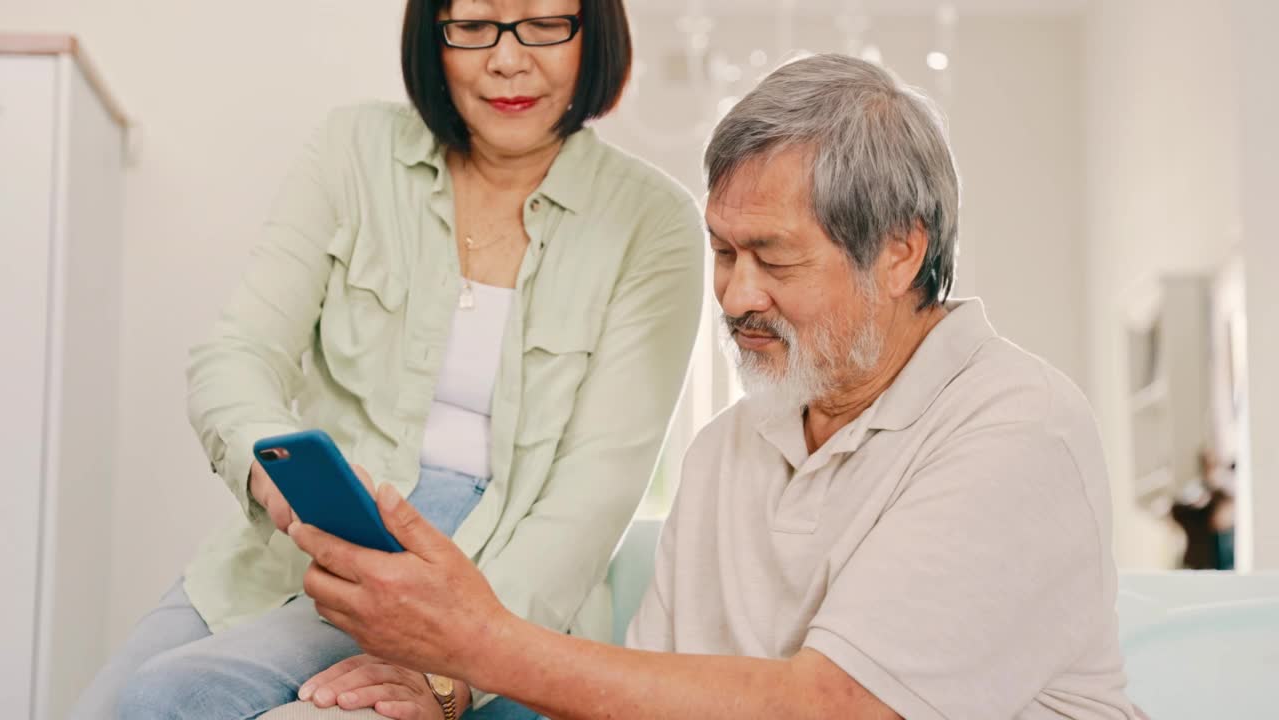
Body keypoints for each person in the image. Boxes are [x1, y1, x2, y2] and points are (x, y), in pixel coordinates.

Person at [278, 54, 1138, 720]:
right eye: (724, 252)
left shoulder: (1018, 429)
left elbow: (836, 708)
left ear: (900, 251)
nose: (733, 296)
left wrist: (478, 645)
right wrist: (445, 677)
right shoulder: (730, 447)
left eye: (774, 258)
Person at [70, 1, 704, 718]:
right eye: (472, 25)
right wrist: (268, 469)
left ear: (594, 33)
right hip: (303, 536)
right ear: (433, 35)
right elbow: (236, 352)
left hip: (495, 576)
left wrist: (463, 661)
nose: (507, 58)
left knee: (171, 697)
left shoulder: (654, 223)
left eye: (544, 22)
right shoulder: (354, 148)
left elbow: (596, 492)